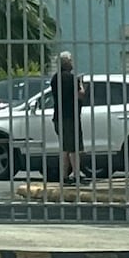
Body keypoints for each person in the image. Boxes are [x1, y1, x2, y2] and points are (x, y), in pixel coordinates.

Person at [49, 51, 82, 186]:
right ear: (66, 63)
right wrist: (81, 84)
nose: (72, 63)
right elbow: (80, 95)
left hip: (58, 116)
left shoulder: (55, 79)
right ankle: (76, 175)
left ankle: (64, 176)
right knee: (73, 148)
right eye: (70, 60)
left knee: (64, 147)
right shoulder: (71, 79)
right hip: (70, 117)